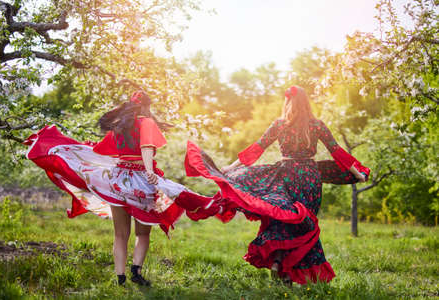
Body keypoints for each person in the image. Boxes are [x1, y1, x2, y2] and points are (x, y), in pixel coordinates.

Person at [24, 90, 221, 286]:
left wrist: (82, 148)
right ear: (146, 106)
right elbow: (146, 147)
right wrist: (149, 169)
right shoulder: (147, 123)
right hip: (141, 182)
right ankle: (136, 271)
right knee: (142, 233)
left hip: (117, 181)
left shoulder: (120, 126)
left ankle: (120, 278)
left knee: (120, 234)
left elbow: (100, 150)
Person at [184, 86, 369, 286]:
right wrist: (357, 173)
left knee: (283, 218)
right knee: (305, 223)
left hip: (286, 174)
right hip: (309, 177)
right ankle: (300, 274)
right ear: (307, 102)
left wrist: (230, 167)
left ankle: (281, 262)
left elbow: (258, 147)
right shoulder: (317, 125)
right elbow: (337, 151)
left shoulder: (280, 124)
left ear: (288, 102)